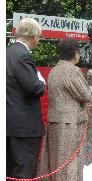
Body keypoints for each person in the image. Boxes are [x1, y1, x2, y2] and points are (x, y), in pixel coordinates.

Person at [38, 38, 92, 181]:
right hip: (70, 125)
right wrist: (91, 90)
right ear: (75, 53)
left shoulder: (53, 71)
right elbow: (86, 95)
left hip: (54, 122)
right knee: (69, 163)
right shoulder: (72, 71)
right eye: (78, 52)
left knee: (55, 161)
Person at [6, 18, 45, 178]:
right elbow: (34, 87)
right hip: (23, 128)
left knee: (9, 170)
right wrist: (41, 80)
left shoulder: (7, 53)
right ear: (34, 36)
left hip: (9, 124)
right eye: (39, 36)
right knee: (24, 172)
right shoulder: (23, 56)